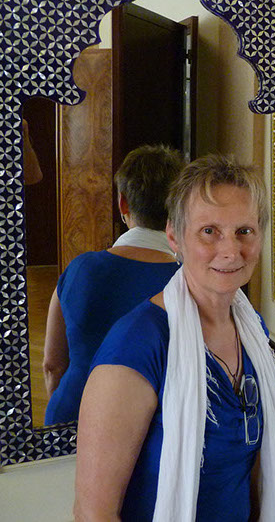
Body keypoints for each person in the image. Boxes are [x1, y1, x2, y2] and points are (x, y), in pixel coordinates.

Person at [74, 154, 275, 521]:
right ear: (174, 235)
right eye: (209, 231)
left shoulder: (251, 328)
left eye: (244, 231)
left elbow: (252, 474)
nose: (230, 251)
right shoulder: (136, 345)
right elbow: (92, 513)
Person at [43, 144, 185, 426]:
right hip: (150, 425)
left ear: (123, 204)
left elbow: (53, 365)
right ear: (182, 208)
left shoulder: (79, 268)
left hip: (73, 412)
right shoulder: (189, 283)